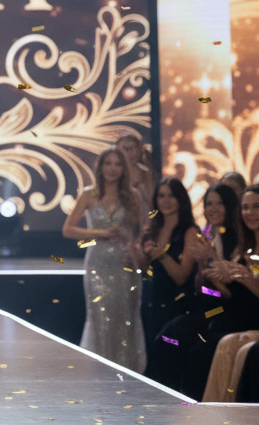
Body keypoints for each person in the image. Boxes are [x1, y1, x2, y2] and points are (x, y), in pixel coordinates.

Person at [62, 147, 147, 372]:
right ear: (100, 167)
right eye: (108, 163)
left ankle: (127, 372)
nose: (113, 169)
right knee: (99, 318)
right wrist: (100, 233)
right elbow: (68, 229)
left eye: (117, 164)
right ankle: (99, 370)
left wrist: (134, 249)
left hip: (125, 265)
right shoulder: (89, 194)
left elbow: (141, 233)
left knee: (125, 319)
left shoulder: (133, 195)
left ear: (124, 169)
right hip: (97, 264)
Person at [133, 177, 199, 385]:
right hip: (149, 305)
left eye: (171, 195)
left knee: (166, 362)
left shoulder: (190, 232)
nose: (166, 200)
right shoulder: (152, 229)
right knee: (148, 361)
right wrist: (137, 253)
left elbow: (182, 276)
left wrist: (161, 255)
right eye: (161, 196)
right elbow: (145, 271)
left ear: (181, 199)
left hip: (176, 307)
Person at [200, 183, 259, 401]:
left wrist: (244, 278)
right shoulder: (244, 248)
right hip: (238, 319)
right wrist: (209, 268)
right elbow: (226, 293)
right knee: (225, 342)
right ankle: (213, 411)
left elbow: (244, 285)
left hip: (251, 322)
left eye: (256, 206)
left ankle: (232, 412)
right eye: (245, 207)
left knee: (236, 346)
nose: (250, 213)